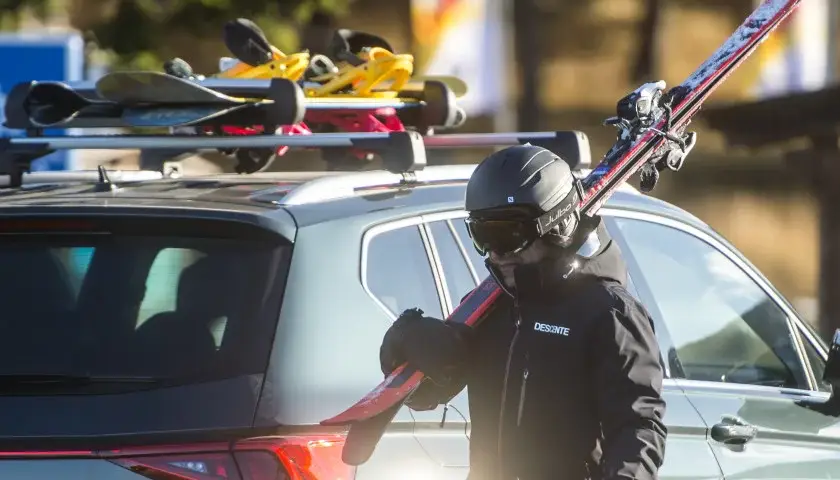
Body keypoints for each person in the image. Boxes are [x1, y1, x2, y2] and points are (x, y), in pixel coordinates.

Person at [379, 145, 667, 480]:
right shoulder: (491, 306)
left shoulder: (609, 313)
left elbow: (638, 426)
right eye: (483, 236)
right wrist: (404, 341)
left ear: (556, 227)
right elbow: (429, 394)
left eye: (508, 235)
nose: (496, 253)